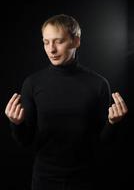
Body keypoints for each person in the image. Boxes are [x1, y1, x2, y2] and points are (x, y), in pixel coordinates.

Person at [5, 14, 128, 190]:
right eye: (46, 42)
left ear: (76, 41)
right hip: (44, 179)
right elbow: (25, 141)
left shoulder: (98, 84)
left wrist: (113, 123)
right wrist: (16, 124)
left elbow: (104, 143)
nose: (51, 49)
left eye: (58, 41)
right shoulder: (32, 83)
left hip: (86, 178)